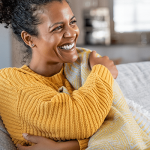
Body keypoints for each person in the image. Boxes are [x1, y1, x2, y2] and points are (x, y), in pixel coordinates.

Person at [0, 0, 150, 150]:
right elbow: (82, 120)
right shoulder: (8, 81)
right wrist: (103, 72)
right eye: (58, 28)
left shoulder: (82, 64)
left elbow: (117, 123)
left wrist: (65, 147)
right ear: (29, 38)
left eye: (72, 22)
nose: (72, 33)